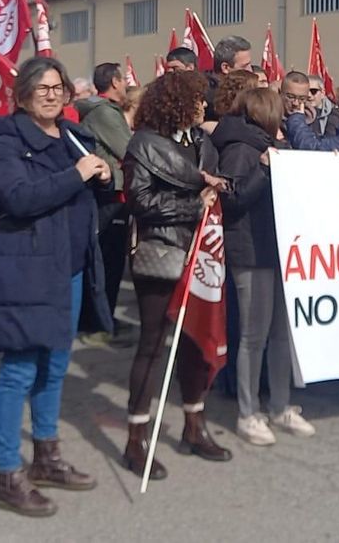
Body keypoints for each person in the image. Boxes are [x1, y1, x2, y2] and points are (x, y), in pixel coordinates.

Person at [0, 57, 113, 516]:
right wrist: (75, 176)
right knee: (19, 371)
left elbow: (82, 189)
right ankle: (8, 474)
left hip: (70, 267)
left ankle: (46, 457)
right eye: (42, 88)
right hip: (28, 269)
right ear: (22, 95)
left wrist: (102, 177)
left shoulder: (73, 135)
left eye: (58, 87)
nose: (52, 95)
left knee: (55, 367)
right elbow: (18, 198)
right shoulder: (8, 140)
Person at [122, 70, 229, 478]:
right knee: (152, 345)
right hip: (162, 251)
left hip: (201, 251)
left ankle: (194, 424)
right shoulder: (143, 146)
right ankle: (136, 439)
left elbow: (218, 187)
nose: (204, 106)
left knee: (193, 342)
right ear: (177, 104)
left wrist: (219, 192)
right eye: (197, 99)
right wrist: (193, 207)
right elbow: (141, 201)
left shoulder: (202, 143)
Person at [212, 88, 315, 444]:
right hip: (250, 251)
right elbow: (233, 198)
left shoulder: (268, 145)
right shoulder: (241, 148)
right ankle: (248, 412)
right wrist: (263, 170)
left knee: (280, 334)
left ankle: (280, 406)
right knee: (253, 337)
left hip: (278, 249)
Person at [74, 63, 135, 343]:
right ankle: (98, 324)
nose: (125, 85)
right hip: (110, 194)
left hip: (113, 192)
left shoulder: (103, 111)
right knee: (106, 262)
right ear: (113, 81)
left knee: (111, 262)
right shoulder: (104, 113)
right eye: (122, 80)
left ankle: (105, 317)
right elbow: (128, 149)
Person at [281, 71, 338, 139]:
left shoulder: (313, 117)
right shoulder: (271, 116)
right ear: (281, 94)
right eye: (290, 97)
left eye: (302, 99)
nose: (295, 103)